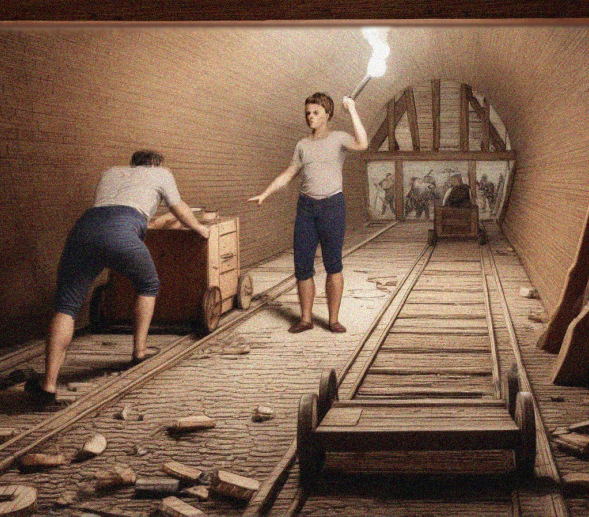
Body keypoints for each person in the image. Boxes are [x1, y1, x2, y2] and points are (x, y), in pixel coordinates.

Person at [26, 150, 210, 404]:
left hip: (84, 230)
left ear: (133, 164)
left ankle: (48, 385)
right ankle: (139, 351)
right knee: (148, 285)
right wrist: (200, 228)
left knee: (66, 306)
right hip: (123, 230)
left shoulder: (110, 172)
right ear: (155, 164)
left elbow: (111, 209)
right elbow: (178, 208)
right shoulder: (161, 173)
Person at [249, 93, 368, 334]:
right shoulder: (302, 145)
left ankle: (333, 320)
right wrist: (265, 193)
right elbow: (288, 174)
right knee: (302, 265)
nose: (310, 117)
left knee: (333, 264)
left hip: (332, 206)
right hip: (306, 208)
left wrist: (353, 109)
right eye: (307, 113)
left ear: (327, 114)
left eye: (315, 112)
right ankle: (305, 319)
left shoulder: (339, 138)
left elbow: (362, 144)